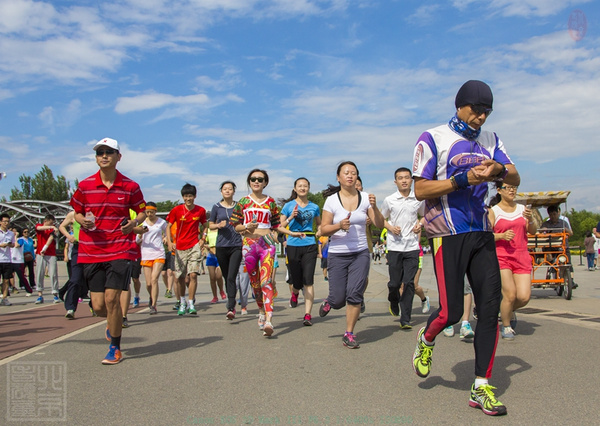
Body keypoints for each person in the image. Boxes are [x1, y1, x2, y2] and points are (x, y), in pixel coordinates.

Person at [411, 80, 520, 416]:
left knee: (490, 307)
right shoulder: (433, 137)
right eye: (476, 110)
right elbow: (420, 189)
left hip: (482, 230)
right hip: (447, 231)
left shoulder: (492, 139)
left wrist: (499, 169)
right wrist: (461, 180)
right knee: (452, 312)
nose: (481, 117)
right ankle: (426, 339)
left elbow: (514, 177)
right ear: (460, 105)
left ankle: (481, 387)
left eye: (486, 111)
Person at [70, 137, 146, 364]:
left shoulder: (130, 186)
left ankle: (115, 347)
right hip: (91, 249)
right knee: (100, 306)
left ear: (118, 157)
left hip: (120, 248)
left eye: (109, 152)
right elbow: (77, 211)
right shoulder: (84, 186)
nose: (104, 155)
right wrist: (82, 220)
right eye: (100, 152)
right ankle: (110, 323)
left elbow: (141, 211)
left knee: (113, 299)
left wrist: (133, 224)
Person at [318, 161, 384, 348]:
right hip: (338, 254)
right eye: (346, 173)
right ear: (338, 178)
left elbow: (379, 224)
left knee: (355, 294)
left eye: (353, 173)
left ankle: (349, 333)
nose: (350, 175)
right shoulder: (331, 201)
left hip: (360, 253)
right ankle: (330, 301)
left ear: (357, 177)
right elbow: (323, 229)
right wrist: (339, 225)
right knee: (339, 299)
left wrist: (375, 207)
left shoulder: (365, 198)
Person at [230, 169, 302, 337]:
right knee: (255, 283)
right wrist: (247, 227)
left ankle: (269, 319)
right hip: (249, 244)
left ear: (265, 182)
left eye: (260, 179)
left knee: (266, 281)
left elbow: (277, 225)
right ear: (249, 182)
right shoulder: (242, 202)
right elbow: (235, 225)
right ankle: (261, 310)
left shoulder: (270, 202)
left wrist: (290, 233)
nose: (256, 181)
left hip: (267, 244)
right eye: (253, 179)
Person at [489, 182, 537, 340]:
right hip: (502, 255)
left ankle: (505, 311)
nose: (511, 190)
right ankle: (506, 325)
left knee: (523, 297)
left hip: (521, 255)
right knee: (510, 294)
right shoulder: (493, 211)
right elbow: (486, 235)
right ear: (499, 190)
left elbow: (533, 230)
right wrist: (501, 236)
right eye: (507, 187)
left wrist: (531, 220)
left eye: (514, 188)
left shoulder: (523, 209)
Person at [380, 167, 424, 329]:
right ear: (395, 181)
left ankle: (405, 318)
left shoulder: (418, 198)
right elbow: (381, 219)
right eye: (400, 178)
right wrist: (390, 228)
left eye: (407, 177)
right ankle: (393, 299)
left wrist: (420, 224)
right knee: (394, 283)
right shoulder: (389, 200)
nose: (404, 180)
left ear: (411, 180)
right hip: (394, 247)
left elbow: (425, 215)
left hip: (412, 246)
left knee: (409, 283)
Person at [280, 177, 322, 326]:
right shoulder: (288, 206)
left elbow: (319, 225)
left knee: (308, 280)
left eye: (305, 186)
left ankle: (308, 314)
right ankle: (295, 293)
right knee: (296, 281)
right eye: (300, 186)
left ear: (309, 188)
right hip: (293, 245)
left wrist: (320, 233)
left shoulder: (314, 207)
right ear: (295, 189)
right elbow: (280, 226)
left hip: (309, 244)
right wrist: (291, 218)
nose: (303, 188)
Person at [166, 183, 207, 316]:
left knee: (193, 275)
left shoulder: (200, 210)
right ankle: (182, 302)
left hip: (194, 245)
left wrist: (203, 238)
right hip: (179, 247)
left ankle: (191, 303)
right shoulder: (176, 210)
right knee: (180, 277)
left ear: (195, 196)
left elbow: (205, 225)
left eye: (190, 196)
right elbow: (168, 225)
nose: (188, 199)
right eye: (185, 196)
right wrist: (170, 241)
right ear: (182, 197)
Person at [209, 181, 243, 319]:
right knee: (226, 276)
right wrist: (218, 225)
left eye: (230, 189)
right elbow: (210, 225)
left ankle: (230, 306)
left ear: (234, 191)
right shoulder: (216, 207)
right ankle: (231, 298)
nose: (227, 191)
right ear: (221, 192)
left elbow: (243, 222)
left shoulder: (239, 206)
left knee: (231, 276)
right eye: (225, 189)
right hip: (221, 246)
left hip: (236, 245)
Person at [138, 202, 168, 315]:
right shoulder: (142, 223)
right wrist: (140, 235)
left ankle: (154, 305)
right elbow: (137, 240)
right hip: (146, 253)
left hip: (158, 253)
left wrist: (165, 238)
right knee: (149, 283)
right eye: (147, 212)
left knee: (154, 279)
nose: (149, 214)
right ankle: (151, 297)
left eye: (151, 212)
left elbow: (167, 232)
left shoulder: (162, 222)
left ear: (155, 211)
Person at [58, 211, 87, 319]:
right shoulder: (73, 214)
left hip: (91, 248)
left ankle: (94, 305)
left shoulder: (93, 211)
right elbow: (61, 226)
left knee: (92, 278)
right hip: (78, 248)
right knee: (75, 279)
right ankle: (70, 308)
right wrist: (69, 237)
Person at [34, 214, 60, 304]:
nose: (53, 224)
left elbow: (51, 237)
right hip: (40, 254)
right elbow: (39, 229)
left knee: (53, 273)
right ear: (46, 221)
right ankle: (40, 295)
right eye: (51, 222)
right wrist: (50, 226)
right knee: (39, 273)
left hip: (50, 253)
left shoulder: (53, 229)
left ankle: (55, 294)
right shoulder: (39, 225)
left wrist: (44, 248)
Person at [205, 228, 226, 303]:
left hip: (220, 255)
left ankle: (221, 290)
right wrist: (207, 246)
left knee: (219, 276)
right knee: (212, 277)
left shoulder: (221, 229)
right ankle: (215, 296)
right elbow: (205, 241)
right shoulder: (208, 230)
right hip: (211, 255)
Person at [1, 213, 15, 306]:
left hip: (7, 260)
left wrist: (9, 244)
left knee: (6, 280)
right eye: (4, 221)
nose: (6, 223)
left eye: (8, 221)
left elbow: (14, 244)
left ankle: (4, 298)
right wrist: (2, 245)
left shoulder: (11, 233)